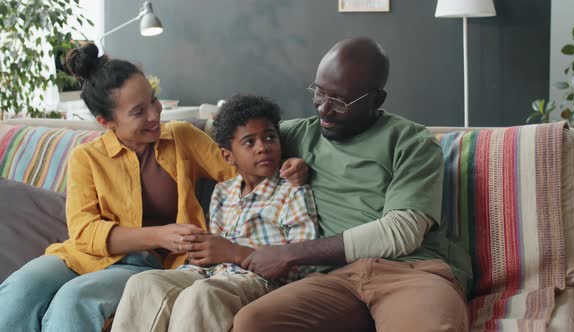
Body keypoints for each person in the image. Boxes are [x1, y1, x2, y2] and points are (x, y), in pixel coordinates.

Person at [0, 44, 307, 332]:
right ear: (106, 121)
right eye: (138, 111)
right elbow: (84, 231)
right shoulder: (86, 157)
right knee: (20, 288)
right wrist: (161, 234)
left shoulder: (182, 138)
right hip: (78, 256)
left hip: (144, 267)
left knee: (74, 300)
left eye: (153, 99)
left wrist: (288, 163)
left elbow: (239, 169)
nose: (154, 113)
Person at [232, 37, 472, 332]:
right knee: (252, 322)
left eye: (340, 101)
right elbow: (227, 149)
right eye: (319, 93)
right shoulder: (294, 136)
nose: (324, 109)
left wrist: (290, 253)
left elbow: (402, 232)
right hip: (334, 281)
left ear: (377, 100)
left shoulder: (411, 142)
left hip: (411, 273)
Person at [111, 94, 319, 332]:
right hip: (212, 274)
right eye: (249, 142)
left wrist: (234, 253)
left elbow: (303, 263)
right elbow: (214, 250)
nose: (263, 147)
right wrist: (203, 252)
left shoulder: (291, 191)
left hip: (260, 281)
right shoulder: (223, 192)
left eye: (270, 137)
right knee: (144, 283)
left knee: (201, 295)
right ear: (227, 156)